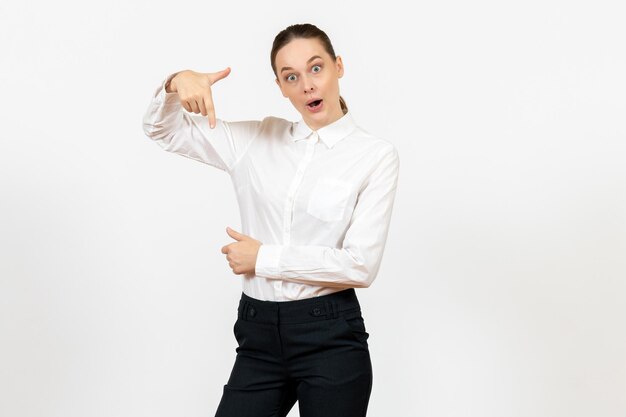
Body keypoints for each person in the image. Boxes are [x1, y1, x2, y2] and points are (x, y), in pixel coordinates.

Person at [142, 23, 399, 417]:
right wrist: (176, 83)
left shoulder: (375, 156)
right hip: (258, 335)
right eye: (291, 76)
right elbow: (162, 129)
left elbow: (360, 264)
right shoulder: (257, 140)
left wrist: (263, 259)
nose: (307, 85)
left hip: (330, 337)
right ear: (280, 86)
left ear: (338, 67)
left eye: (316, 69)